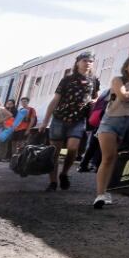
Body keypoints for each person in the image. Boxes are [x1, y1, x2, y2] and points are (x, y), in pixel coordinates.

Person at [93, 54, 129, 209]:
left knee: (117, 158)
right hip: (111, 121)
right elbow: (124, 96)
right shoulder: (118, 80)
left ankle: (107, 190)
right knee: (108, 157)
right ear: (126, 67)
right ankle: (100, 194)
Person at [44, 55, 100, 191]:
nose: (88, 63)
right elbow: (55, 100)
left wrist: (94, 101)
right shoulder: (67, 79)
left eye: (90, 61)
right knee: (55, 152)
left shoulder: (94, 80)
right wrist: (45, 121)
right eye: (85, 61)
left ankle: (64, 173)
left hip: (78, 120)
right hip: (59, 118)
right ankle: (53, 182)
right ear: (77, 63)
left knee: (73, 148)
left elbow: (96, 96)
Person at [7, 97, 38, 161]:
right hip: (16, 129)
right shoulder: (20, 110)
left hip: (24, 128)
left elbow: (32, 120)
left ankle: (20, 158)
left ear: (28, 102)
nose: (23, 103)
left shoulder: (31, 110)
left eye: (25, 101)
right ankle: (14, 157)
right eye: (22, 101)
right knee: (13, 143)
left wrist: (28, 130)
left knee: (21, 143)